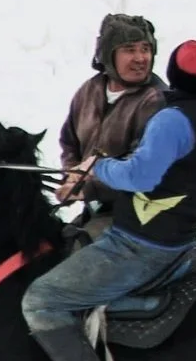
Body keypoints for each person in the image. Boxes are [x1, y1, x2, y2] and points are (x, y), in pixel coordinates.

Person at [22, 39, 196, 361]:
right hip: (177, 242)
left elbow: (141, 176)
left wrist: (98, 168)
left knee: (41, 300)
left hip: (140, 247)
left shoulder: (173, 120)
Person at [55, 14, 166, 227]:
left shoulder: (155, 101)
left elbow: (139, 167)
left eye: (145, 49)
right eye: (129, 49)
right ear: (108, 55)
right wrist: (72, 175)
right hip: (94, 211)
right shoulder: (89, 91)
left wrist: (88, 188)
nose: (140, 58)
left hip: (137, 217)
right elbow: (69, 142)